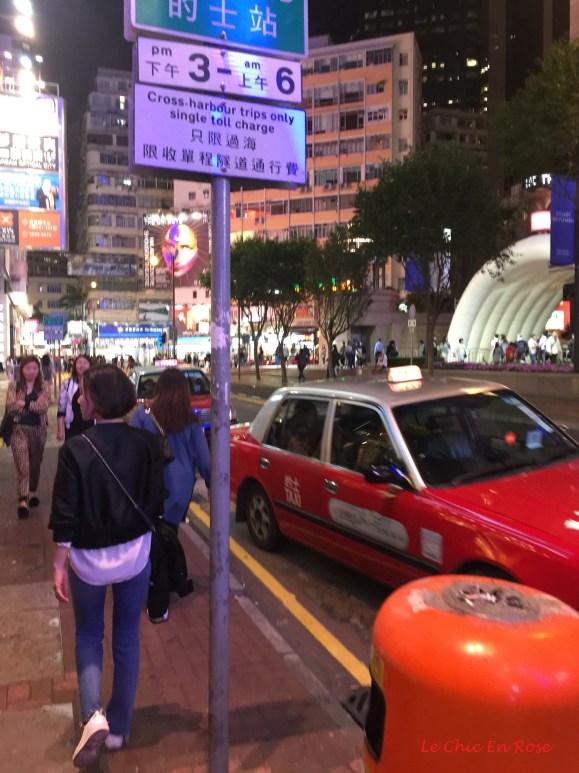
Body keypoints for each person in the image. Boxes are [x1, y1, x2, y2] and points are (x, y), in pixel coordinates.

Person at [49, 365, 167, 767]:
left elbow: (65, 515)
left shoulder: (75, 449)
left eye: (84, 393)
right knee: (127, 636)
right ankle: (118, 728)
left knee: (88, 634)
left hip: (89, 562)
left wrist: (58, 564)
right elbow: (158, 499)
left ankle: (93, 716)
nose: (80, 399)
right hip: (135, 555)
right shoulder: (147, 444)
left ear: (95, 402)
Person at [130, 368, 210, 619]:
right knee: (169, 535)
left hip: (148, 487)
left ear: (159, 389)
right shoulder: (191, 421)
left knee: (151, 538)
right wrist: (213, 484)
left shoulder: (142, 415)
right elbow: (204, 460)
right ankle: (165, 584)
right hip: (179, 489)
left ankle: (158, 591)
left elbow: (131, 453)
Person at [4, 355, 50, 519]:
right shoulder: (14, 386)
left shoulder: (43, 386)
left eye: (34, 368)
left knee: (35, 463)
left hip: (38, 430)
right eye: (28, 368)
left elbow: (43, 407)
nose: (31, 371)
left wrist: (24, 404)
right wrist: (32, 407)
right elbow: (11, 407)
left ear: (39, 370)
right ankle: (23, 499)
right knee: (22, 465)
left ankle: (32, 491)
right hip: (18, 429)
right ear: (21, 369)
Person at [57, 355, 93, 442]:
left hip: (91, 425)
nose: (82, 365)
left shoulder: (95, 383)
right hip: (72, 424)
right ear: (75, 366)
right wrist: (60, 430)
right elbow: (61, 408)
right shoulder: (67, 384)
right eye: (79, 363)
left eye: (85, 363)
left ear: (90, 366)